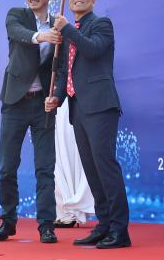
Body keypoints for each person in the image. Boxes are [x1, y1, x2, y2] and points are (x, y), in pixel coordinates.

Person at [47, 0, 131, 249]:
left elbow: (93, 50)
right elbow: (64, 72)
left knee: (105, 166)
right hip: (78, 107)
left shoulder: (101, 24)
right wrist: (56, 98)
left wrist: (66, 29)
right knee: (92, 170)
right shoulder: (68, 32)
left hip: (101, 105)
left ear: (93, 0)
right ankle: (104, 225)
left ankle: (120, 230)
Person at [0, 0, 63, 245]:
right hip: (15, 102)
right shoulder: (17, 15)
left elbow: (60, 67)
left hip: (43, 104)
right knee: (7, 166)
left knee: (45, 168)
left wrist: (56, 96)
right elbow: (17, 33)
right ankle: (8, 221)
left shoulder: (58, 25)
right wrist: (40, 36)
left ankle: (46, 225)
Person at [53, 97, 95, 228]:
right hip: (53, 103)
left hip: (75, 102)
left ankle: (74, 208)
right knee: (57, 158)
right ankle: (65, 211)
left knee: (75, 155)